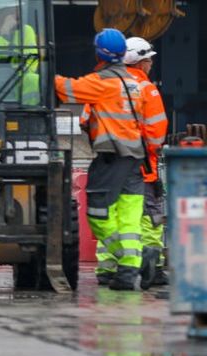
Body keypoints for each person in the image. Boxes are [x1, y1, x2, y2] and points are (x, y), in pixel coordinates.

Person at [56, 28, 147, 290]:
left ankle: (129, 264)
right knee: (130, 218)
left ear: (99, 52)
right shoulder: (133, 84)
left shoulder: (102, 83)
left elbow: (66, 90)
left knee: (97, 213)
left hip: (111, 157)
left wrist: (43, 74)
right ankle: (128, 274)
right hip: (135, 158)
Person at [124, 37, 169, 288]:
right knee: (150, 216)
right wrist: (150, 150)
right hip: (144, 165)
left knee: (119, 216)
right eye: (148, 59)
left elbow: (88, 121)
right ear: (140, 63)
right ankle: (154, 268)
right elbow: (157, 131)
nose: (151, 64)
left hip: (115, 165)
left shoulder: (109, 83)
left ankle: (111, 267)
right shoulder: (146, 88)